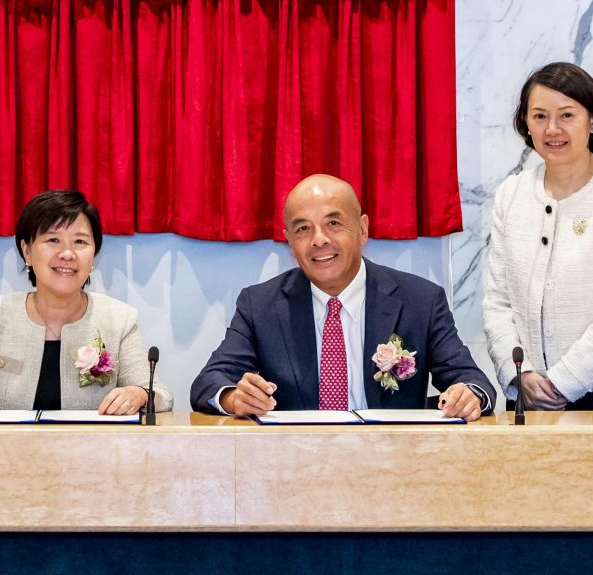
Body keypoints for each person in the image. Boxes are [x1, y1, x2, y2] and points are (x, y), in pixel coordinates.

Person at [190, 174, 494, 420]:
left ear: (362, 230)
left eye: (333, 223)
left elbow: (472, 380)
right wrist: (233, 397)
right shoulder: (260, 305)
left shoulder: (420, 300)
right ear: (291, 244)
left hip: (393, 463)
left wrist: (468, 395)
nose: (319, 239)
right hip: (294, 465)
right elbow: (209, 382)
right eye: (303, 229)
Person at [481, 62, 593, 412]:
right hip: (529, 393)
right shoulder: (511, 194)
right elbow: (498, 302)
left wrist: (562, 382)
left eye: (567, 115)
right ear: (526, 123)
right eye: (539, 116)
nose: (553, 129)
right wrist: (519, 373)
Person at [0, 189, 170, 416]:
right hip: (4, 456)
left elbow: (160, 396)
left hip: (93, 457)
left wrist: (138, 395)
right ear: (27, 251)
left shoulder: (118, 319)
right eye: (53, 240)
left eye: (80, 242)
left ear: (93, 255)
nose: (67, 253)